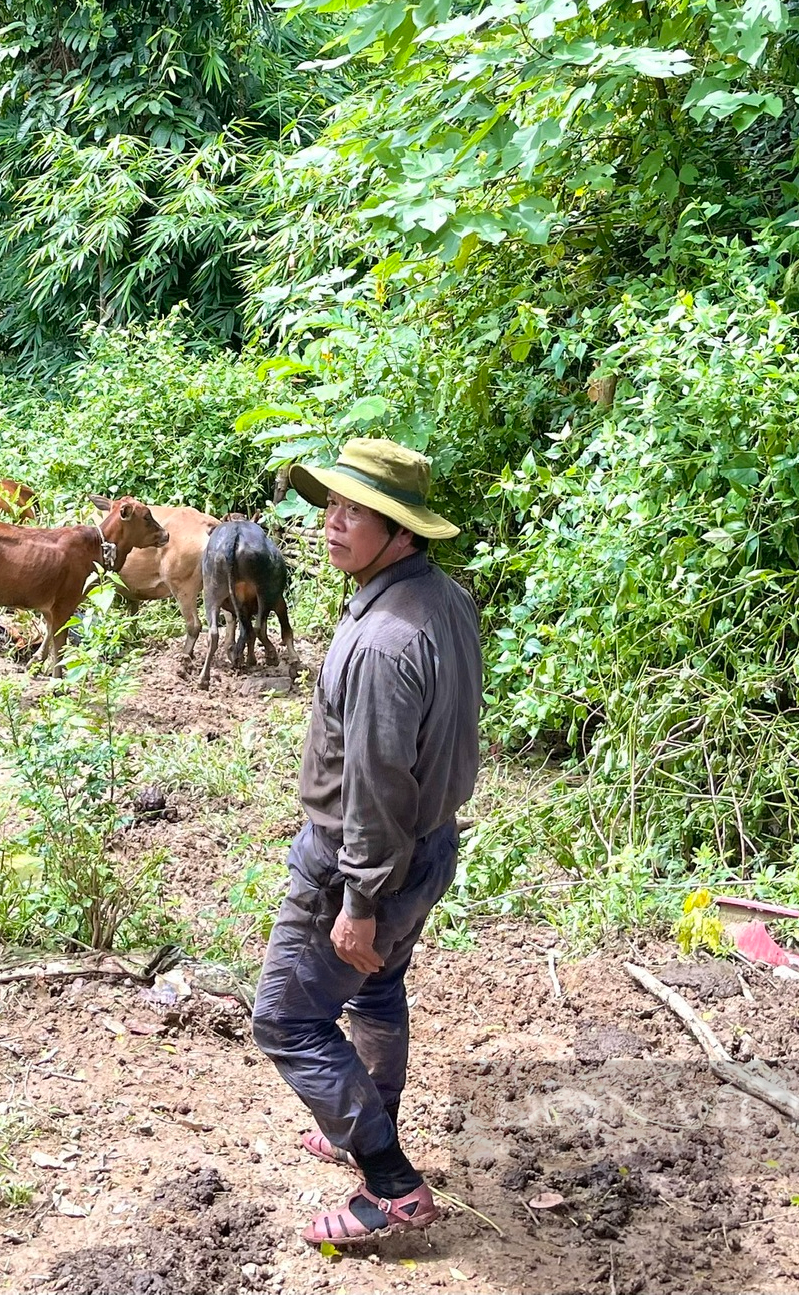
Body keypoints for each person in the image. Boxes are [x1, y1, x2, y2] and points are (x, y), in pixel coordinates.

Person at [251, 437, 483, 1248]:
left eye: (358, 511)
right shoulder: (442, 601)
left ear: (403, 530)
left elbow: (377, 784)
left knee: (286, 1019)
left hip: (361, 858)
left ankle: (391, 1184)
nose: (334, 522)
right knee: (374, 990)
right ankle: (363, 1124)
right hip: (429, 844)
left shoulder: (383, 640)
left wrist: (358, 900)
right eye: (334, 505)